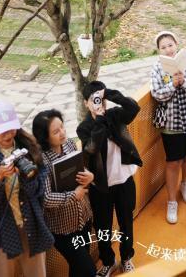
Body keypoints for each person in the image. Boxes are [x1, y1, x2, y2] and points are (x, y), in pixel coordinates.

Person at [0, 101, 54, 277]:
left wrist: (26, 176)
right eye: (2, 130)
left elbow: (39, 191)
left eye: (11, 128)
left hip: (31, 225)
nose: (8, 134)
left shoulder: (30, 150)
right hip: (3, 232)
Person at [77, 82, 142, 277]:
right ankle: (108, 261)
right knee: (102, 226)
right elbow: (92, 148)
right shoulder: (84, 128)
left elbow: (133, 108)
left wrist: (110, 94)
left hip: (123, 179)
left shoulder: (115, 115)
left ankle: (126, 257)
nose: (99, 102)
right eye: (93, 100)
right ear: (85, 103)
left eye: (100, 98)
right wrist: (99, 120)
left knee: (126, 222)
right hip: (100, 185)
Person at [32, 109, 96, 277]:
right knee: (88, 270)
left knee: (78, 269)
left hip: (83, 218)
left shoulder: (69, 144)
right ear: (45, 138)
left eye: (62, 127)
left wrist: (90, 176)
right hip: (62, 228)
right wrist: (73, 195)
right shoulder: (40, 160)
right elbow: (46, 198)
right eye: (55, 131)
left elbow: (80, 170)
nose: (62, 132)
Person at [150, 31, 186, 225]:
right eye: (163, 47)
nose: (168, 49)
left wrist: (184, 82)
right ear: (159, 51)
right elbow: (157, 94)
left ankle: (185, 184)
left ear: (177, 44)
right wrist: (173, 84)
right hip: (171, 123)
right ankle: (172, 201)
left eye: (170, 45)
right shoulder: (158, 67)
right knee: (173, 162)